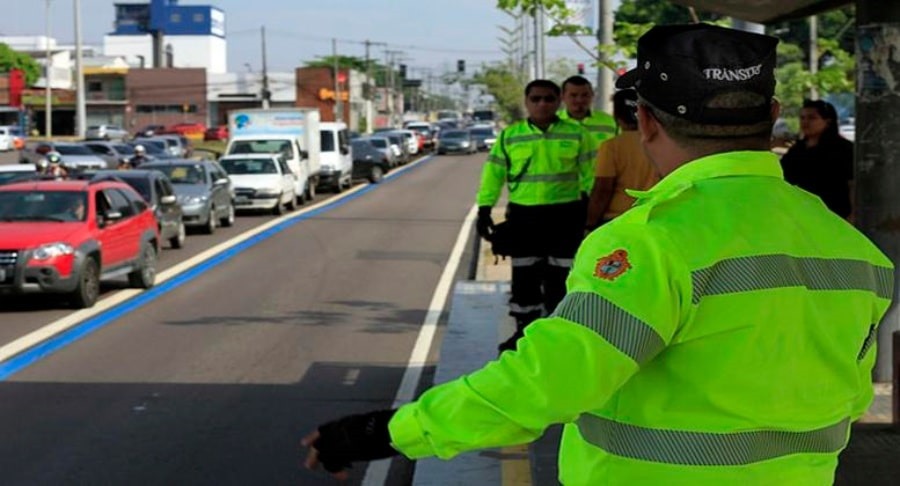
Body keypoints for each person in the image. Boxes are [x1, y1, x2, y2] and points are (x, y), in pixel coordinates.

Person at [302, 24, 894, 485]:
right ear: (772, 117)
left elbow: (547, 385)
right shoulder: (855, 251)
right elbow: (848, 395)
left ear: (643, 120)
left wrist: (389, 430)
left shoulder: (650, 241)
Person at [474, 79, 597, 353]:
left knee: (562, 276)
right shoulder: (510, 136)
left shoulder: (577, 134)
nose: (543, 104)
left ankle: (557, 335)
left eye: (549, 99)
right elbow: (493, 175)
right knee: (524, 276)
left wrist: (588, 208)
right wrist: (484, 209)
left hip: (565, 216)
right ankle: (524, 333)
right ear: (526, 102)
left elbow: (592, 173)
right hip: (524, 217)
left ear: (558, 102)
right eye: (536, 99)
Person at [585, 89, 659, 231]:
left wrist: (590, 224)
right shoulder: (661, 144)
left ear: (617, 116)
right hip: (652, 216)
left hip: (617, 219)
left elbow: (602, 190)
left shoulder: (611, 146)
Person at [780, 99, 854, 220]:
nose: (805, 122)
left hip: (834, 214)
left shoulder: (843, 149)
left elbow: (852, 183)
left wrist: (853, 215)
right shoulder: (797, 150)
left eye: (812, 118)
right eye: (802, 118)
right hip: (801, 213)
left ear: (828, 122)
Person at [558, 75, 617, 145]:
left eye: (585, 95)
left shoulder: (611, 122)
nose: (579, 100)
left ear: (592, 95)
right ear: (562, 97)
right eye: (573, 95)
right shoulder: (551, 122)